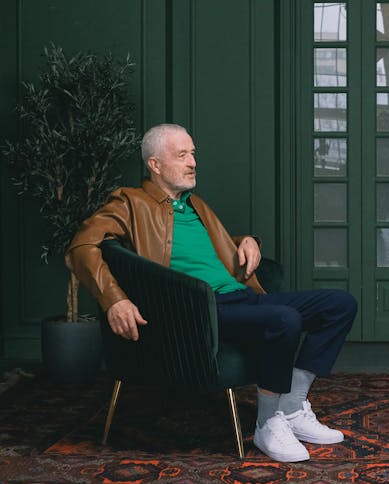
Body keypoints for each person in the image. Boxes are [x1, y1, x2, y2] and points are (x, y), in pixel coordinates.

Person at [66, 123, 358, 462]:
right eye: (182, 155)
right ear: (155, 164)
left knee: (340, 304)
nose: (192, 162)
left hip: (240, 297)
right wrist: (114, 299)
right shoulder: (130, 202)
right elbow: (82, 246)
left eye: (193, 154)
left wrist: (246, 241)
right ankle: (268, 424)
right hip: (196, 308)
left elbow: (209, 250)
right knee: (284, 319)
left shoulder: (195, 205)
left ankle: (292, 408)